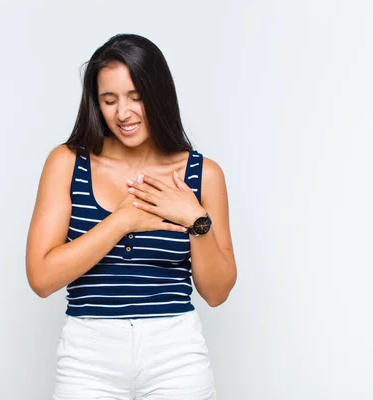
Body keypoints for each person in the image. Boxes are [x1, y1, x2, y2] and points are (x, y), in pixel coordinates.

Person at [25, 33, 237, 400]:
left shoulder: (204, 174)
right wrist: (121, 221)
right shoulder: (66, 163)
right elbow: (41, 279)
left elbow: (217, 293)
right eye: (109, 100)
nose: (123, 113)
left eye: (136, 98)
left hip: (175, 354)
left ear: (159, 95)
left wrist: (196, 222)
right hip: (88, 356)